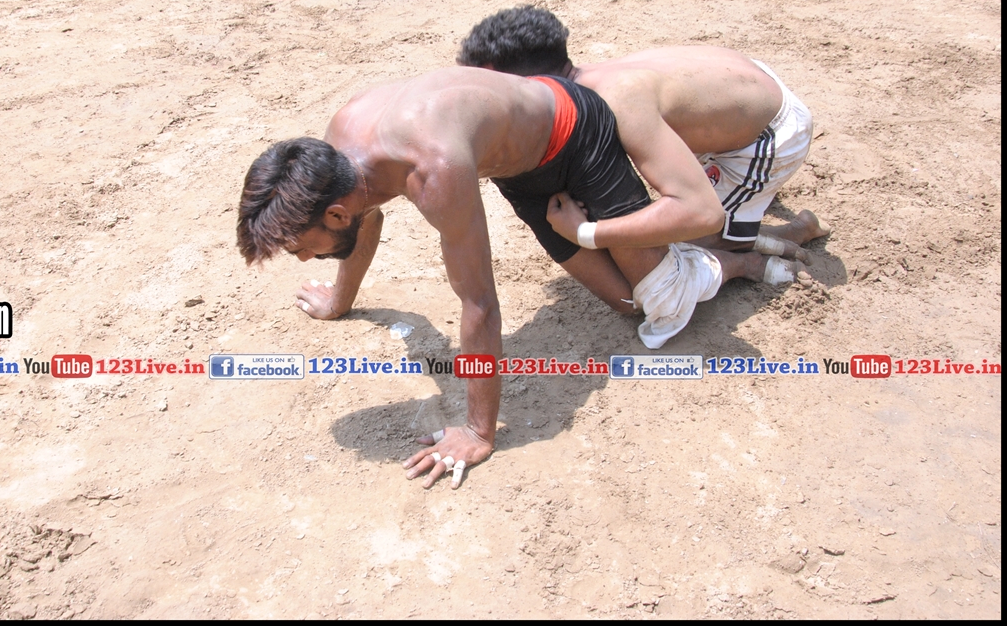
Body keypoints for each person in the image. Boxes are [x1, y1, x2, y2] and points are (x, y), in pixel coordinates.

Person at [237, 67, 801, 489]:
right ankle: (718, 243)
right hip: (519, 165)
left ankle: (742, 256)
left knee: (660, 301)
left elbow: (479, 302)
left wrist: (478, 431)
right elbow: (369, 216)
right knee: (626, 302)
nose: (303, 259)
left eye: (300, 247)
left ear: (336, 214)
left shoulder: (433, 170)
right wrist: (340, 299)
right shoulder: (337, 153)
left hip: (576, 133)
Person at [457, 5, 830, 264]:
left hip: (772, 132)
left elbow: (702, 213)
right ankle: (744, 195)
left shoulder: (617, 103)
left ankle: (794, 230)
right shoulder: (588, 79)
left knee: (682, 248)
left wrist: (588, 233)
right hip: (738, 85)